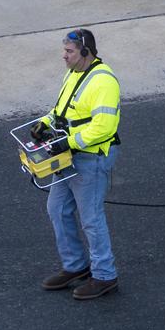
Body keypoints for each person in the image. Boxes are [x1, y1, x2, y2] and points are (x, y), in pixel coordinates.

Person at [31, 27, 121, 300]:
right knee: (57, 209)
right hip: (70, 154)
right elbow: (61, 110)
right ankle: (76, 267)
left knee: (91, 218)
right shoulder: (74, 74)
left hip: (90, 157)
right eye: (65, 51)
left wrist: (68, 143)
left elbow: (104, 128)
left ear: (85, 52)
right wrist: (44, 123)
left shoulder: (104, 82)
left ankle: (105, 276)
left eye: (69, 52)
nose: (64, 57)